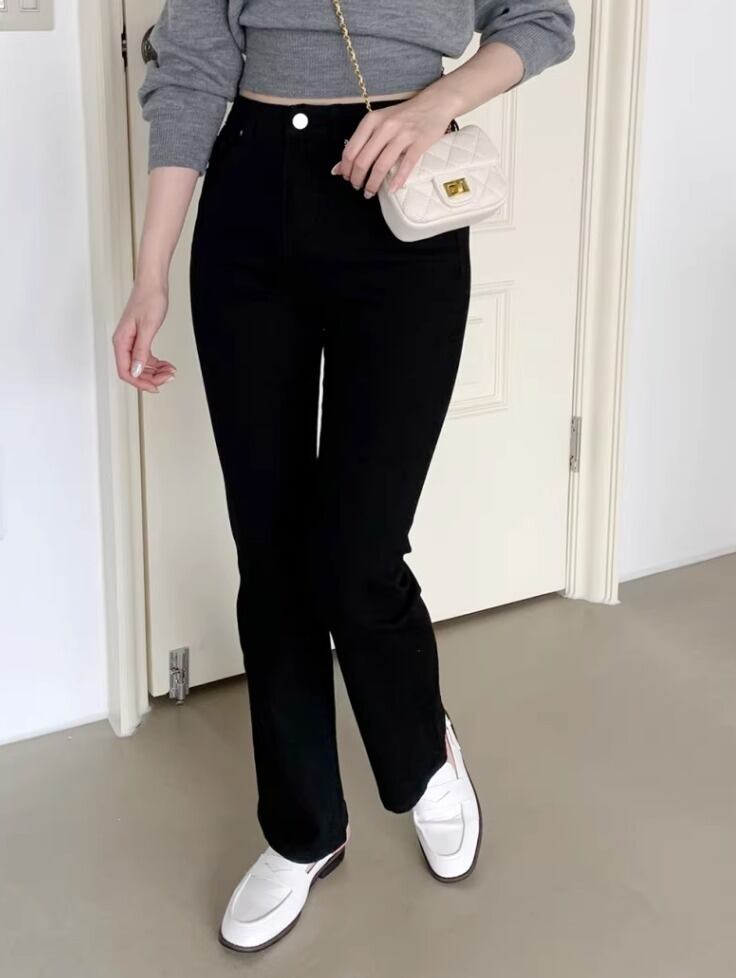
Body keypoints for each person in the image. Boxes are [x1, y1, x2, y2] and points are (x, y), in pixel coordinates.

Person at [113, 0, 575, 954]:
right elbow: (191, 71)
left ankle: (421, 754)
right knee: (272, 550)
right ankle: (303, 829)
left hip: (401, 194)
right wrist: (150, 272)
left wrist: (438, 103)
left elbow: (541, 19)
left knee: (358, 553)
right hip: (251, 208)